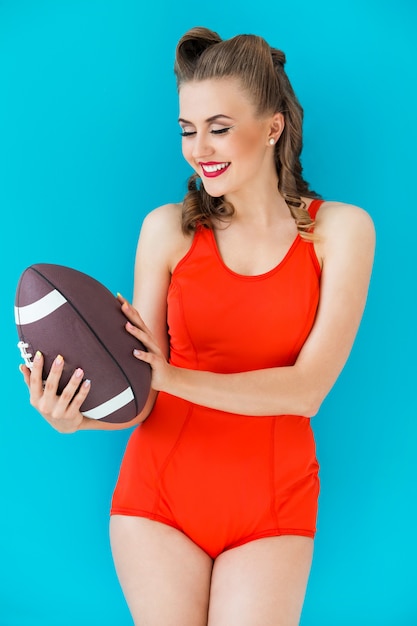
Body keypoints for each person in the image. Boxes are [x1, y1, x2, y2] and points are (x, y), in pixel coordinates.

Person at [20, 26, 375, 626]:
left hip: (274, 502)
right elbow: (140, 397)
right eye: (188, 129)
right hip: (158, 497)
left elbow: (307, 390)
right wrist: (78, 416)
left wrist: (163, 376)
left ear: (272, 127)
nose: (198, 148)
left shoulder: (341, 232)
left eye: (219, 127)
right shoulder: (166, 230)